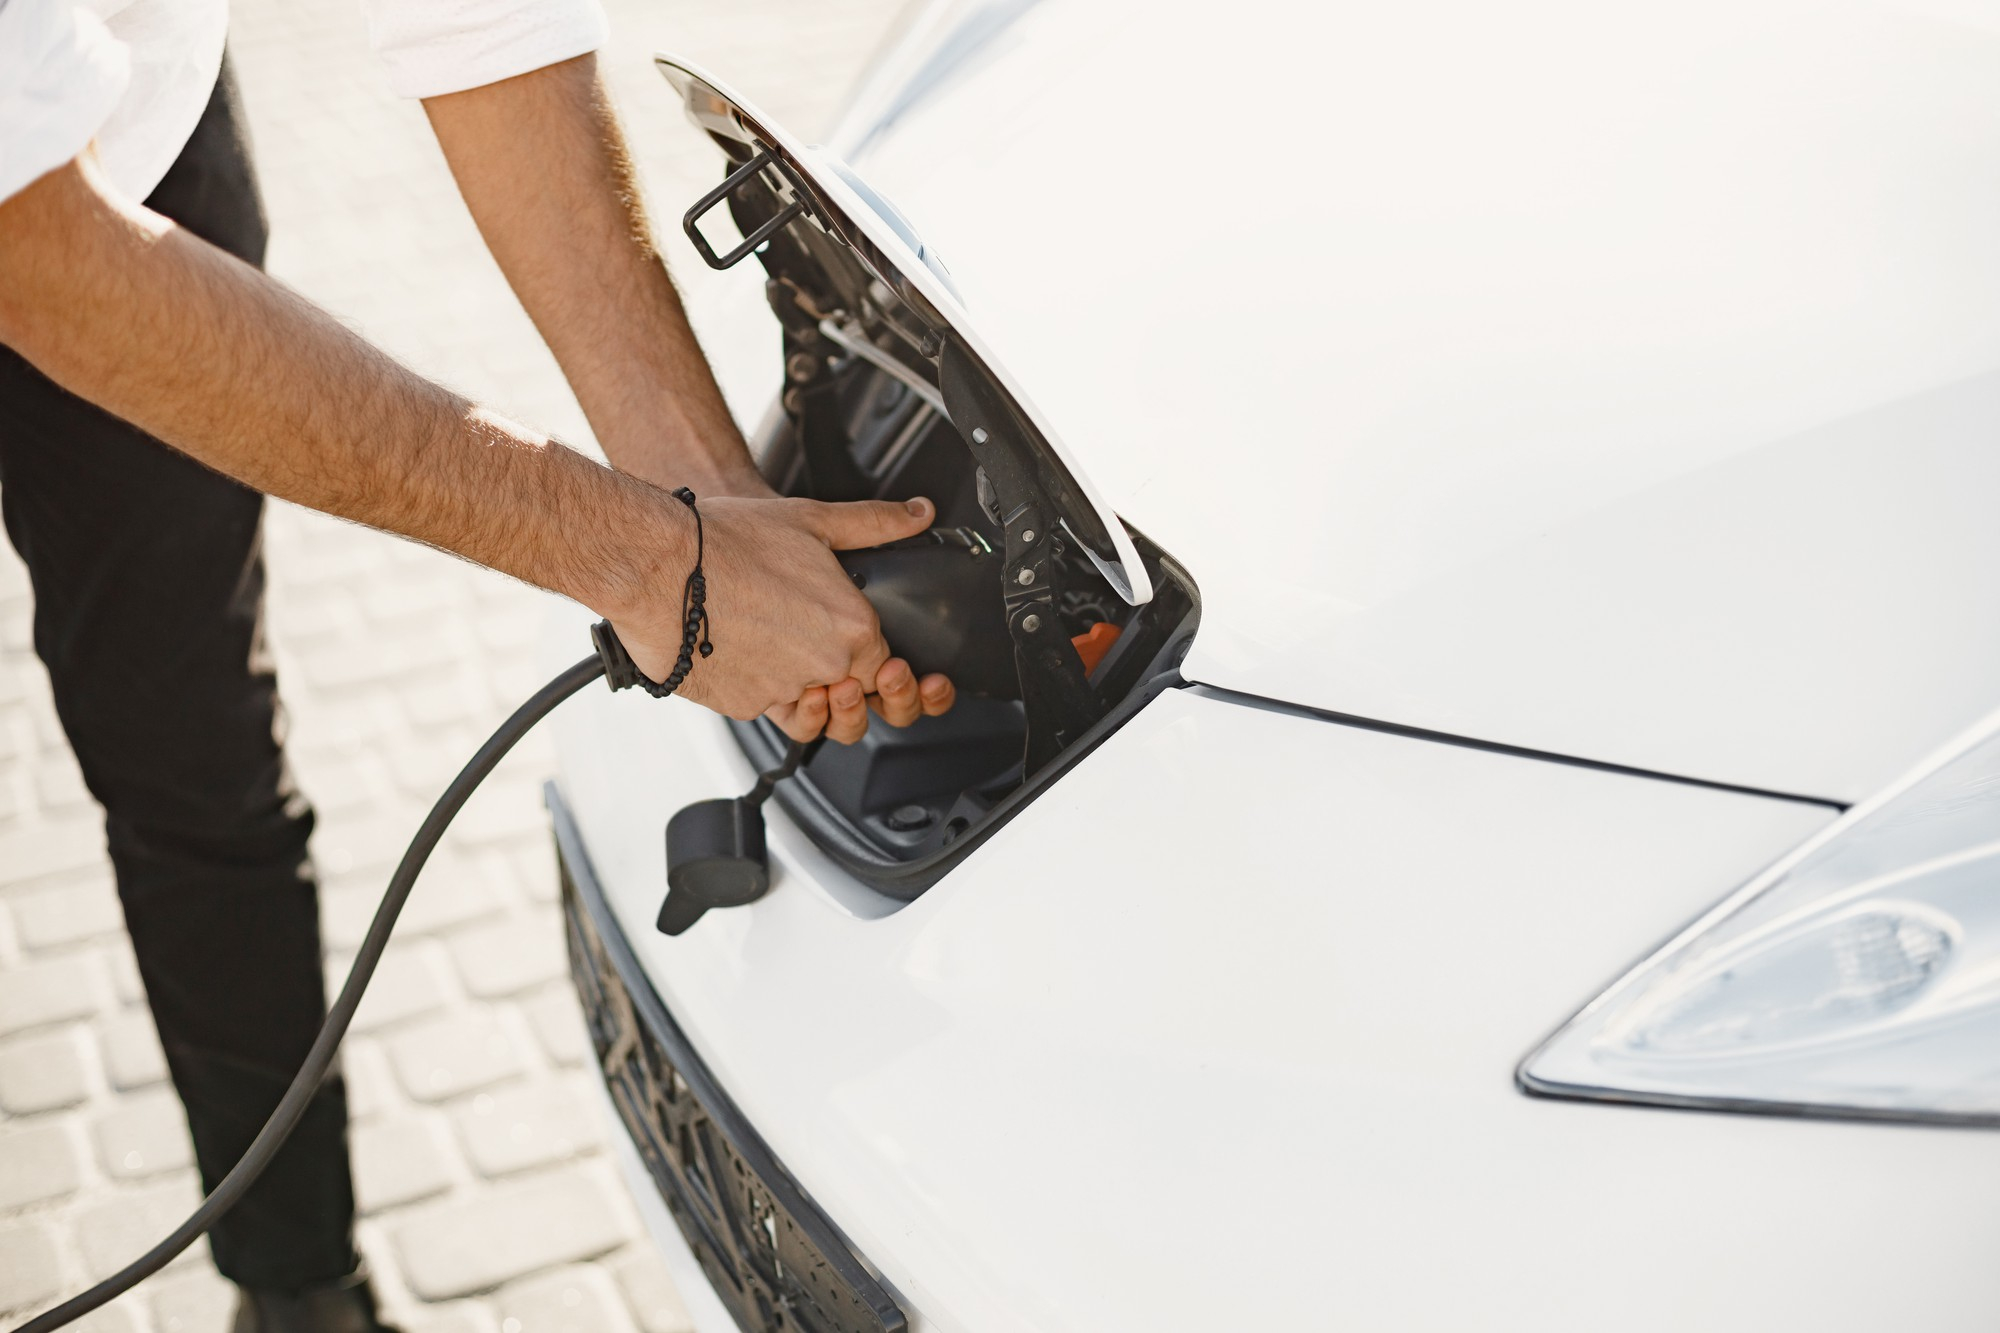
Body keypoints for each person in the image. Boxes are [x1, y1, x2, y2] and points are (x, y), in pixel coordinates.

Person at [0, 0, 957, 1328]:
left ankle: (298, 1289)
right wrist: (636, 560)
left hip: (126, 135)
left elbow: (481, 22)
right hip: (36, 222)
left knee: (192, 762)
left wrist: (704, 508)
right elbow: (38, 258)